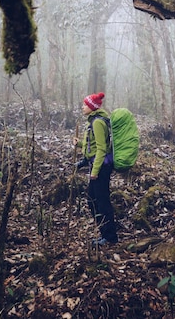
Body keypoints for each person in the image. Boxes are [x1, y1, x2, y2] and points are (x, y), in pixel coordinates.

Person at [74, 92, 118, 246]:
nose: (82, 107)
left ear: (92, 107)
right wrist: (79, 144)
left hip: (101, 167)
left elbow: (101, 149)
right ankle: (106, 232)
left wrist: (95, 171)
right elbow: (92, 146)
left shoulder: (98, 122)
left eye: (85, 104)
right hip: (97, 165)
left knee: (101, 201)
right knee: (93, 200)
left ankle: (110, 236)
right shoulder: (93, 121)